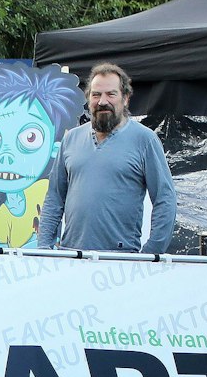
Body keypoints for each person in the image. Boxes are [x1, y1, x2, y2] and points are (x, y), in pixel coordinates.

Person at [34, 63, 176, 254]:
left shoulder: (145, 140)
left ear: (125, 99)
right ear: (88, 99)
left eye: (111, 94)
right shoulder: (70, 139)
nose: (102, 101)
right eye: (96, 95)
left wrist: (151, 253)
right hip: (71, 257)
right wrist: (43, 248)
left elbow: (165, 200)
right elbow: (54, 198)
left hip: (120, 261)